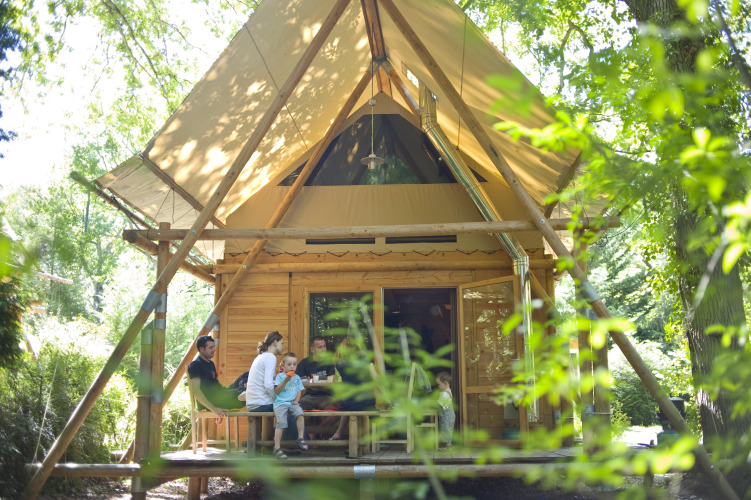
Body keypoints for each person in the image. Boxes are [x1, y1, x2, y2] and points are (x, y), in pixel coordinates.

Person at [330, 338, 377, 441]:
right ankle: (367, 439)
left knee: (348, 405)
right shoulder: (366, 362)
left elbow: (337, 384)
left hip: (349, 403)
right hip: (366, 402)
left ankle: (339, 433)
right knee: (370, 408)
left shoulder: (339, 365)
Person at [187, 335, 245, 417]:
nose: (214, 350)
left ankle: (245, 393)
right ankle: (245, 394)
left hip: (221, 394)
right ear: (201, 349)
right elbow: (195, 391)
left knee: (246, 375)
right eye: (210, 348)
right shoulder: (195, 365)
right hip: (213, 401)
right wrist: (213, 408)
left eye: (214, 347)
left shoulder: (210, 363)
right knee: (243, 393)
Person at [272, 352, 308, 459]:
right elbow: (277, 391)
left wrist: (297, 400)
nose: (292, 367)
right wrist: (285, 380)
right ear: (283, 365)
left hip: (292, 403)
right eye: (289, 364)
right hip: (281, 404)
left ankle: (300, 438)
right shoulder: (280, 376)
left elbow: (299, 391)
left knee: (300, 414)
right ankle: (277, 447)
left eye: (294, 364)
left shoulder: (296, 377)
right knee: (281, 423)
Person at [245, 331, 285, 412]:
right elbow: (268, 385)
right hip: (261, 403)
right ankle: (286, 425)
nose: (283, 347)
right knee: (291, 405)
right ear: (275, 342)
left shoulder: (261, 356)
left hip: (252, 403)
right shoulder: (270, 357)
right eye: (282, 343)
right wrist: (277, 398)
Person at [297, 336, 336, 411]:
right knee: (297, 409)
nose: (323, 350)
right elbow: (298, 380)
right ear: (312, 349)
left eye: (324, 346)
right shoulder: (304, 363)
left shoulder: (330, 362)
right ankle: (310, 423)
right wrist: (324, 381)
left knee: (334, 409)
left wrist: (313, 380)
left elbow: (332, 379)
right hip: (309, 397)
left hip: (327, 397)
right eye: (319, 347)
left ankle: (322, 423)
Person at [435, 371, 455, 449]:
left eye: (439, 384)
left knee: (446, 429)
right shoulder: (449, 392)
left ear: (445, 383)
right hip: (449, 415)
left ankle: (448, 445)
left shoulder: (444, 394)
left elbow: (438, 404)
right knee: (447, 429)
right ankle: (447, 444)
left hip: (446, 416)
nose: (438, 386)